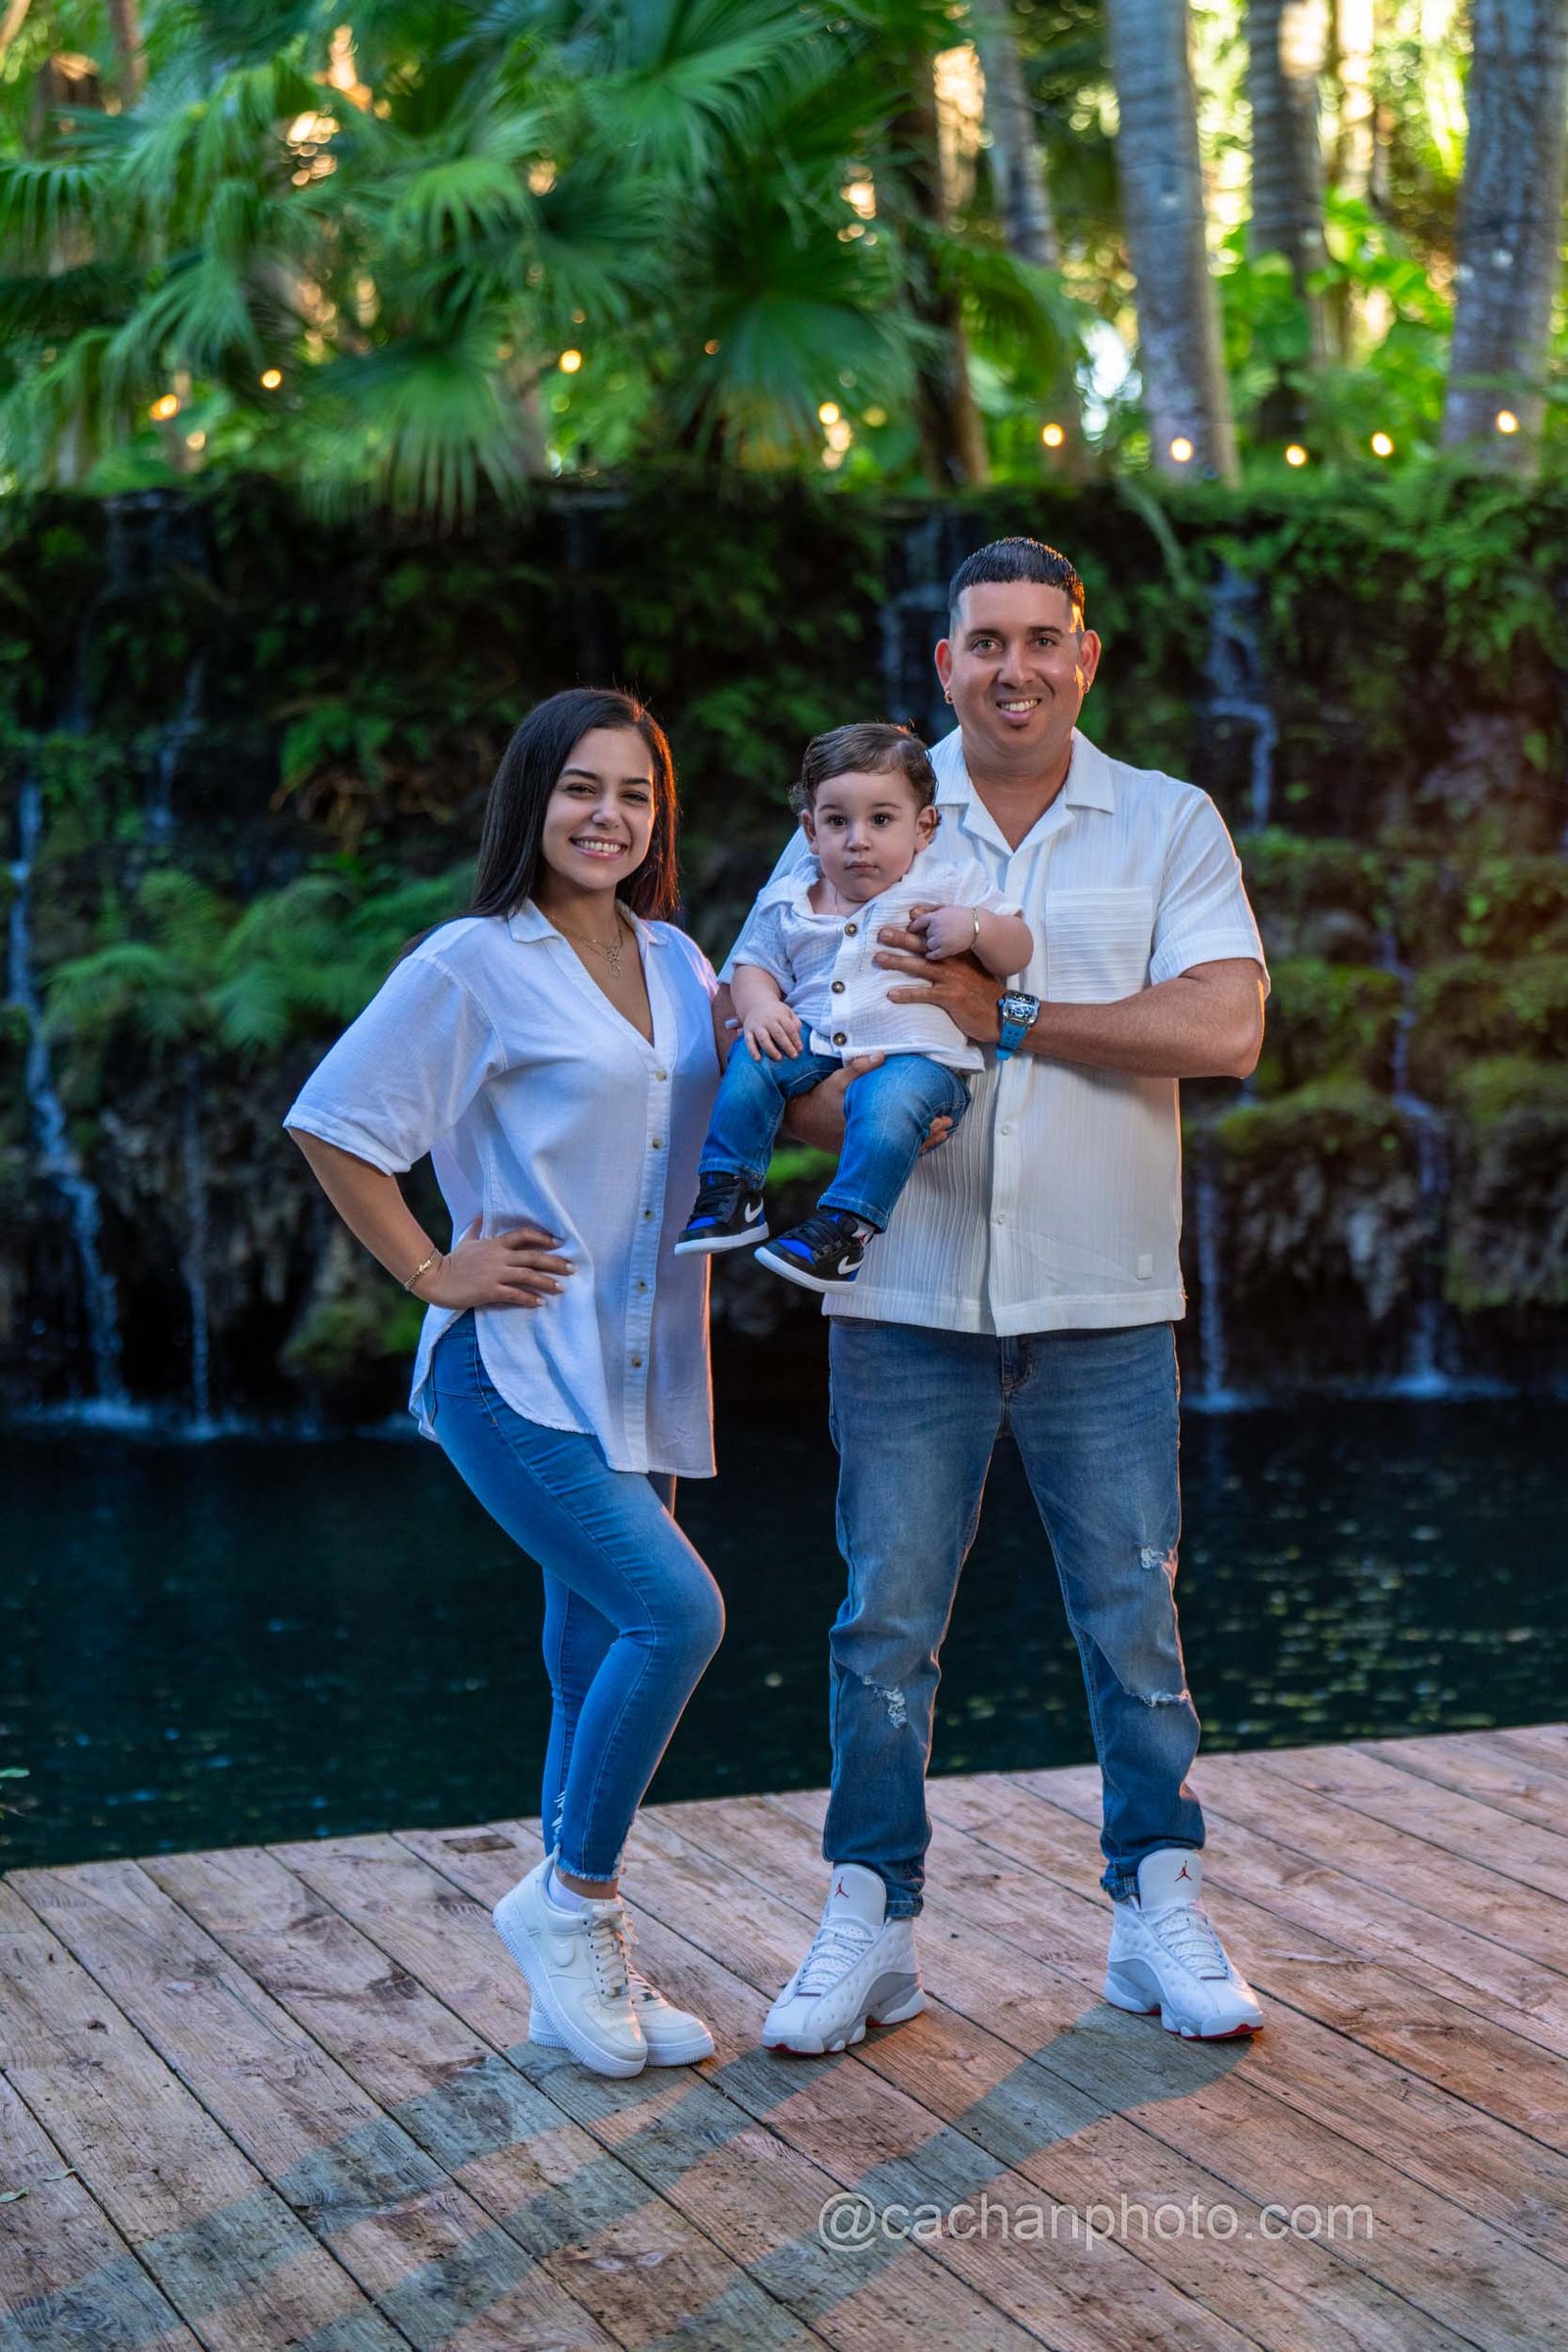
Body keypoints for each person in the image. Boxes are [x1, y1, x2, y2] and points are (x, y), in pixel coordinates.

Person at [740, 537, 1271, 2054]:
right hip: (903, 1300)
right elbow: (777, 1047)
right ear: (946, 662)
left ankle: (1156, 1906)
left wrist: (1009, 1018)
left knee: (1134, 1621)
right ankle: (871, 1921)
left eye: (1045, 640)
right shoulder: (868, 812)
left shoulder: (1165, 821)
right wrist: (881, 1099)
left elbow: (1226, 1028)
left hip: (1106, 1298)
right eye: (988, 643)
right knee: (882, 1629)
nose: (1016, 668)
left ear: (1085, 658)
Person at [284, 687, 727, 2080]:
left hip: (642, 1364)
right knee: (675, 1615)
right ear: (532, 798)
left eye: (635, 794)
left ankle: (568, 1979)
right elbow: (336, 1123)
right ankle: (569, 1902)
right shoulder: (473, 962)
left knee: (591, 1658)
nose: (609, 816)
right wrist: (433, 1269)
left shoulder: (679, 961)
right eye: (581, 787)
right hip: (513, 1366)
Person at [675, 722, 1032, 1292]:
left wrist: (974, 927)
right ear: (810, 831)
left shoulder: (949, 885)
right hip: (816, 1042)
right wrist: (761, 1006)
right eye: (838, 821)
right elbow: (751, 965)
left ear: (923, 827)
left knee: (886, 1100)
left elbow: (1018, 947)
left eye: (881, 820)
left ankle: (845, 1230)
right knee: (754, 1055)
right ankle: (729, 1190)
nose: (857, 840)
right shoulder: (790, 897)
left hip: (919, 1060)